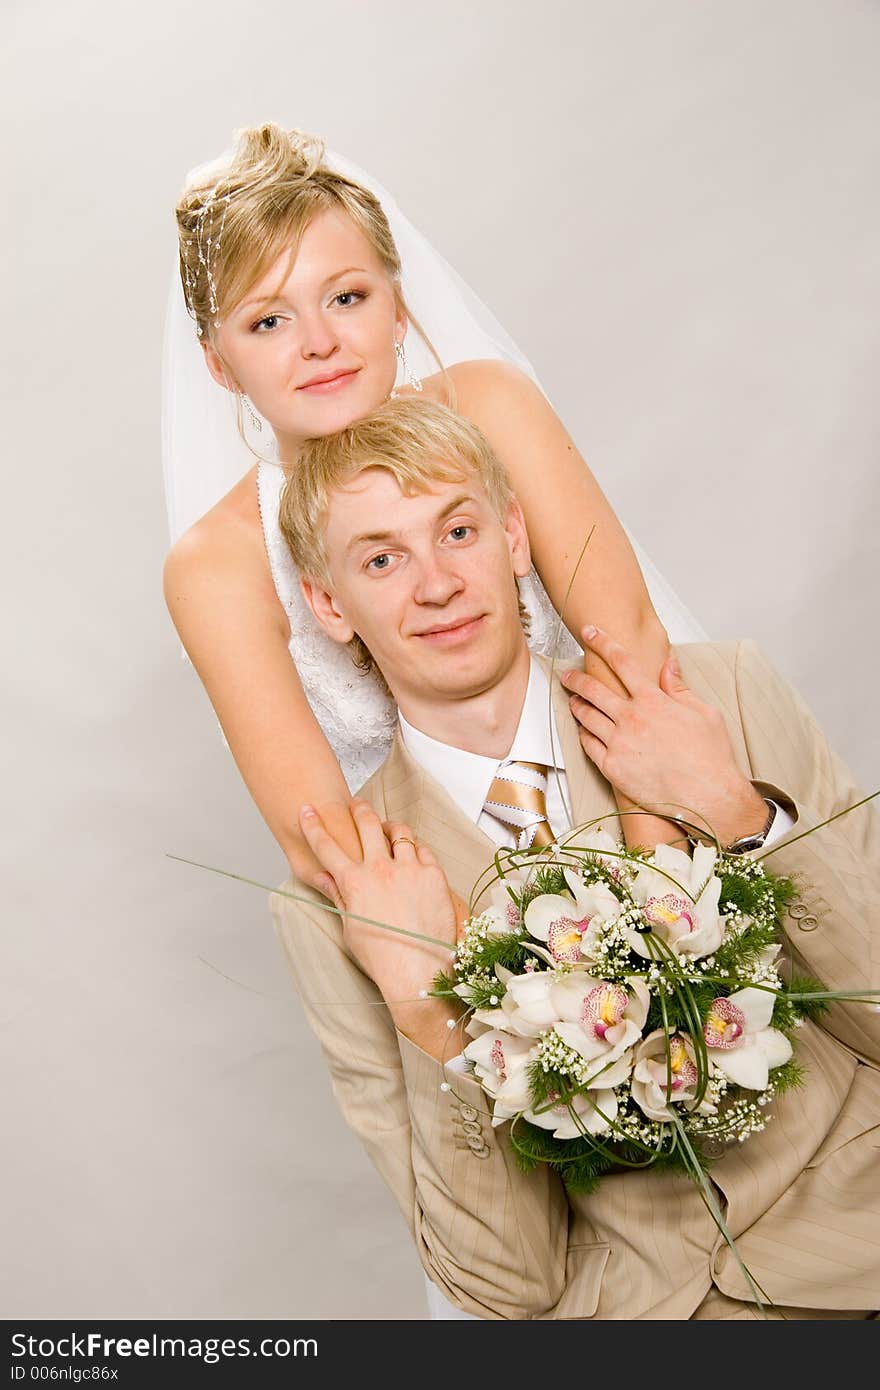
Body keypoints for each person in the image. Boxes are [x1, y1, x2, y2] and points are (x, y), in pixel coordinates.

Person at [270, 395, 880, 1320]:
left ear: (515, 536)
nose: (435, 584)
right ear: (328, 604)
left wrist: (739, 815)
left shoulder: (721, 694)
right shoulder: (337, 902)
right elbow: (503, 1288)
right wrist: (426, 1009)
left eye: (459, 530)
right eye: (383, 559)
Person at [162, 122, 708, 891]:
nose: (319, 341)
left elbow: (630, 648)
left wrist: (658, 903)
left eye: (346, 296)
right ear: (220, 364)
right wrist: (524, 988)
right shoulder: (216, 565)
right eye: (270, 321)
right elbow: (323, 842)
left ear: (396, 306)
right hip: (449, 911)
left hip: (649, 812)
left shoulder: (492, 407)